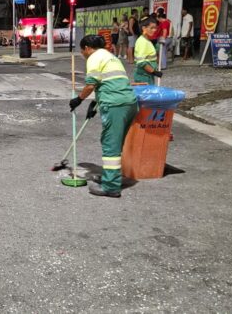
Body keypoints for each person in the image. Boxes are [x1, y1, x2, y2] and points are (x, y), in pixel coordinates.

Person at [69, 35, 138, 198]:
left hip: (115, 105)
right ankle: (111, 176)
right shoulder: (111, 57)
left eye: (82, 50)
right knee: (115, 142)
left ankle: (111, 186)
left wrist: (78, 100)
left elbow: (91, 85)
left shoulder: (93, 58)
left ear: (86, 48)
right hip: (129, 104)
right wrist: (95, 103)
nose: (82, 53)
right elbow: (110, 83)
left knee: (110, 144)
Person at [133, 17, 162, 85]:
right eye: (151, 28)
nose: (154, 30)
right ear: (144, 28)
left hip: (147, 75)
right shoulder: (142, 42)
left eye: (155, 28)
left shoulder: (147, 40)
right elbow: (141, 62)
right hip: (144, 76)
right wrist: (154, 72)